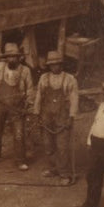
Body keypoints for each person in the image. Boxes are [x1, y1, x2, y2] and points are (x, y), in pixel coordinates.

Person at [0, 42, 33, 169]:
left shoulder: (25, 70)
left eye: (14, 56)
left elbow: (30, 90)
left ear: (18, 57)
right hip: (0, 105)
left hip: (17, 107)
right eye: (9, 56)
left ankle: (20, 160)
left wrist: (28, 105)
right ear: (6, 58)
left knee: (19, 133)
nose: (12, 59)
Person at [33, 50, 80, 183]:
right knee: (48, 144)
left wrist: (71, 116)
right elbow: (39, 97)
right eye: (52, 65)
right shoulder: (44, 78)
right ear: (49, 66)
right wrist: (36, 114)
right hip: (46, 116)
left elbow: (74, 98)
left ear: (61, 64)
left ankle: (64, 174)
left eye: (57, 64)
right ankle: (53, 168)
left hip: (62, 117)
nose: (55, 67)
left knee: (62, 146)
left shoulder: (70, 79)